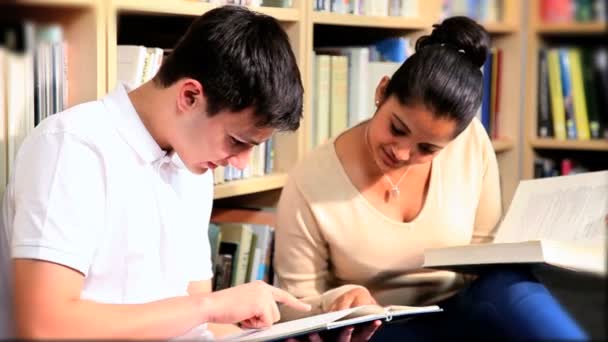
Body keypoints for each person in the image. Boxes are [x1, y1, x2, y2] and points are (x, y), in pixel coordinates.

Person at [0, 5, 312, 340]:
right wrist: (209, 306)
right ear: (189, 96)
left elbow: (194, 326)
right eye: (236, 141)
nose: (240, 162)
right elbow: (45, 325)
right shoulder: (72, 147)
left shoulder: (193, 170)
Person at [274, 16, 588, 341]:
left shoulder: (471, 143)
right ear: (382, 92)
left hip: (463, 304)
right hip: (379, 324)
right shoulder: (310, 179)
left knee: (513, 286)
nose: (402, 153)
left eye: (427, 148)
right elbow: (292, 304)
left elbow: (484, 249)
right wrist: (339, 299)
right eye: (397, 128)